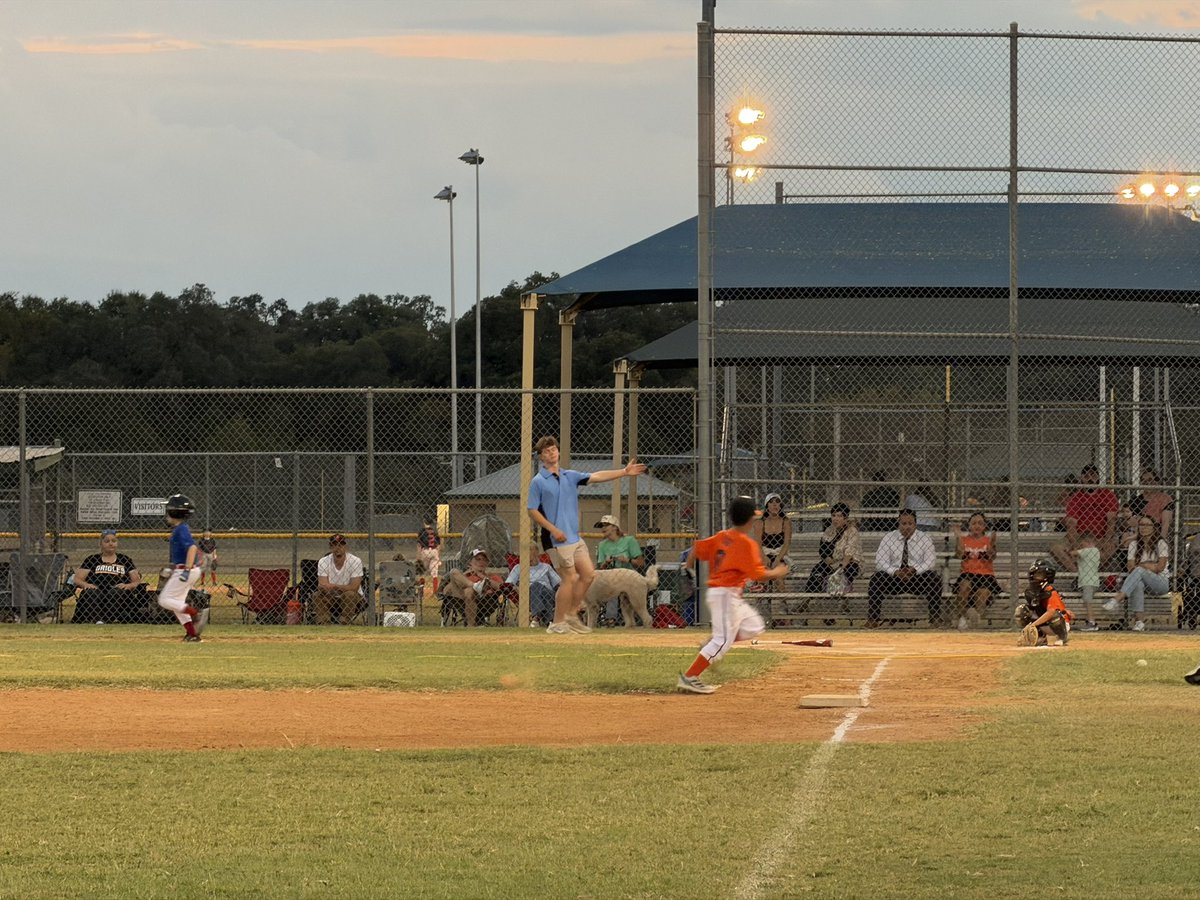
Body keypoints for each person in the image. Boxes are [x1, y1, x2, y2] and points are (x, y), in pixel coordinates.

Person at [526, 436, 645, 636]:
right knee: (569, 578)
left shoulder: (569, 476)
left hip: (573, 536)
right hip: (556, 539)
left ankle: (571, 614)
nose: (552, 453)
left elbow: (597, 476)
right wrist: (553, 529)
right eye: (547, 451)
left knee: (588, 574)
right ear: (541, 456)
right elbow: (532, 510)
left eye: (554, 449)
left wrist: (624, 472)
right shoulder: (538, 481)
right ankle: (557, 623)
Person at [677, 496, 788, 694]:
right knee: (721, 641)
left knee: (755, 626)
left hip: (728, 595)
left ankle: (714, 644)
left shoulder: (722, 536)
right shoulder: (745, 543)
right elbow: (758, 575)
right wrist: (778, 572)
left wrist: (688, 566)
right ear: (749, 520)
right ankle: (690, 677)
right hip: (725, 595)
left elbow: (697, 548)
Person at [866, 509, 942, 628]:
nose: (907, 527)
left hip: (916, 578)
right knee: (876, 579)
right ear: (898, 523)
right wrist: (895, 572)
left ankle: (935, 618)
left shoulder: (924, 538)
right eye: (904, 523)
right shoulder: (889, 538)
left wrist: (915, 570)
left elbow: (930, 561)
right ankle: (873, 618)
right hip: (895, 579)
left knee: (934, 579)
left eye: (910, 524)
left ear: (915, 524)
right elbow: (880, 561)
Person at [156, 494, 207, 642]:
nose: (166, 513)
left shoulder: (181, 529)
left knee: (164, 600)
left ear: (174, 512)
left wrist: (186, 570)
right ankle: (193, 634)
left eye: (168, 510)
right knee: (177, 605)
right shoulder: (180, 529)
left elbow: (191, 548)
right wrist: (172, 569)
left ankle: (195, 613)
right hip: (184, 569)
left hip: (187, 570)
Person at [1103, 516, 1169, 632]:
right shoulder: (1134, 544)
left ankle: (1118, 599)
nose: (1144, 528)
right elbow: (1130, 567)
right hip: (1142, 580)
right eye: (1141, 525)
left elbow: (1160, 567)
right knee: (1137, 583)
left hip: (1160, 582)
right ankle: (1139, 622)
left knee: (1138, 571)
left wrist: (1142, 565)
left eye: (1147, 525)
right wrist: (1149, 565)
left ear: (1154, 528)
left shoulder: (1161, 543)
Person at [1050, 463, 1117, 572]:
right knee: (1055, 548)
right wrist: (1075, 544)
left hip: (1099, 537)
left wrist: (1106, 540)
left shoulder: (1107, 495)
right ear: (1081, 479)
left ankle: (1091, 575)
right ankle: (1078, 575)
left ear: (1098, 478)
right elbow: (1071, 524)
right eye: (1086, 476)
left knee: (1111, 548)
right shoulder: (1076, 497)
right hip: (1079, 536)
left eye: (1093, 476)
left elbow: (1111, 520)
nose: (1090, 479)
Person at [72, 529, 145, 624]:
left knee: (116, 592)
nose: (111, 544)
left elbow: (136, 581)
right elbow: (77, 579)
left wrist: (128, 586)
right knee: (90, 593)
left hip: (118, 592)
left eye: (113, 541)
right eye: (107, 541)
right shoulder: (92, 559)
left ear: (117, 543)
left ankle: (104, 621)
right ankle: (98, 620)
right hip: (97, 590)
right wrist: (86, 585)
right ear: (101, 544)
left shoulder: (125, 559)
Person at [949, 512, 999, 630]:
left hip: (985, 575)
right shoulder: (964, 539)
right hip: (967, 573)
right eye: (974, 523)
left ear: (984, 526)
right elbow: (960, 554)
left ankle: (976, 620)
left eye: (980, 523)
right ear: (969, 525)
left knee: (982, 593)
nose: (977, 526)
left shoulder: (987, 540)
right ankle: (961, 617)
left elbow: (992, 556)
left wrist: (992, 545)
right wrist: (958, 538)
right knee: (965, 586)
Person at [595, 513, 645, 625]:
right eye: (601, 526)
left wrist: (628, 560)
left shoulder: (629, 540)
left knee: (621, 591)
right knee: (613, 588)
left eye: (605, 525)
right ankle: (610, 619)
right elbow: (600, 569)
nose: (602, 528)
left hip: (629, 577)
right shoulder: (602, 545)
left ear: (615, 527)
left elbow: (641, 563)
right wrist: (606, 562)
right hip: (610, 579)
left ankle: (636, 620)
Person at [806, 502, 860, 593]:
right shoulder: (829, 530)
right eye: (833, 515)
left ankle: (844, 602)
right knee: (817, 570)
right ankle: (807, 600)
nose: (835, 519)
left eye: (839, 516)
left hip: (848, 562)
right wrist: (828, 560)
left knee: (849, 570)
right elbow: (822, 549)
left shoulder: (852, 531)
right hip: (831, 562)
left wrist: (839, 567)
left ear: (845, 518)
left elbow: (849, 553)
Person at [1015, 559, 1072, 646]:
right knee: (1022, 610)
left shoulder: (1051, 593)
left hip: (1059, 624)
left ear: (1047, 576)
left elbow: (1051, 612)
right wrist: (1031, 625)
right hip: (1045, 623)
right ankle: (1041, 637)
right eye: (1035, 574)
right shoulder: (1031, 592)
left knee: (1054, 614)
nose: (1035, 577)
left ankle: (1062, 637)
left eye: (1039, 575)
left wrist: (1032, 625)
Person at [442, 548, 505, 626]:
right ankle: (475, 586)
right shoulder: (463, 576)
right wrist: (465, 576)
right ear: (470, 563)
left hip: (485, 602)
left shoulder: (492, 577)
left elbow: (503, 588)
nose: (481, 562)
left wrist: (483, 577)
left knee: (470, 591)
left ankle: (470, 626)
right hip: (462, 600)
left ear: (487, 563)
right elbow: (446, 591)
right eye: (478, 559)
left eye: (484, 560)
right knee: (454, 572)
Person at [314, 533, 365, 625]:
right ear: (330, 547)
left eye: (341, 544)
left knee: (349, 594)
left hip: (352, 598)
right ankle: (324, 624)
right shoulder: (323, 561)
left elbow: (354, 587)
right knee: (317, 595)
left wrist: (334, 586)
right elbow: (322, 584)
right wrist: (326, 588)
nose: (338, 548)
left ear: (345, 546)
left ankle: (344, 623)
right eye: (334, 545)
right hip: (331, 596)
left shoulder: (355, 561)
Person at [506, 542, 561, 627]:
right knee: (535, 586)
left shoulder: (546, 567)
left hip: (549, 594)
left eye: (533, 552)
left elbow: (559, 583)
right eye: (528, 552)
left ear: (537, 553)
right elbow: (508, 584)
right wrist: (517, 589)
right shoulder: (518, 568)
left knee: (539, 588)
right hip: (527, 595)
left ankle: (536, 618)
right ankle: (549, 620)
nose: (531, 555)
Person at [755, 493, 792, 593]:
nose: (775, 505)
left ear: (781, 505)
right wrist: (764, 557)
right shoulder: (760, 522)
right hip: (764, 553)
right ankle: (761, 605)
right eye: (771, 502)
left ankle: (784, 605)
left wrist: (777, 559)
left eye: (777, 502)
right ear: (767, 505)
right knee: (762, 576)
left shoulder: (786, 521)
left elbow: (786, 543)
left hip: (780, 554)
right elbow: (757, 543)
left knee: (778, 578)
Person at [1130, 468, 1174, 540]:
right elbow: (1131, 522)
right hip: (1138, 535)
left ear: (1156, 481)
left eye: (1150, 479)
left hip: (1156, 535)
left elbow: (1165, 523)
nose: (1147, 482)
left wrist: (1160, 541)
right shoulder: (1135, 500)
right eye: (1143, 480)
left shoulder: (1164, 499)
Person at [1073, 532, 1102, 632]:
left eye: (1082, 544)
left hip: (1088, 581)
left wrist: (1071, 549)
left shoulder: (1091, 550)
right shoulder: (1093, 551)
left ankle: (1092, 622)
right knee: (1086, 602)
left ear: (1088, 542)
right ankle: (1089, 620)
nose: (1081, 547)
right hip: (1087, 581)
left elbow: (1074, 553)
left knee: (1088, 602)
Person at [416, 516, 442, 595]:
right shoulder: (435, 531)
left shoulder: (422, 531)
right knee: (435, 573)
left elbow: (419, 545)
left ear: (424, 522)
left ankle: (421, 592)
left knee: (423, 571)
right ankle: (435, 592)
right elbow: (439, 545)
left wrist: (418, 556)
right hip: (434, 551)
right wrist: (438, 556)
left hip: (425, 551)